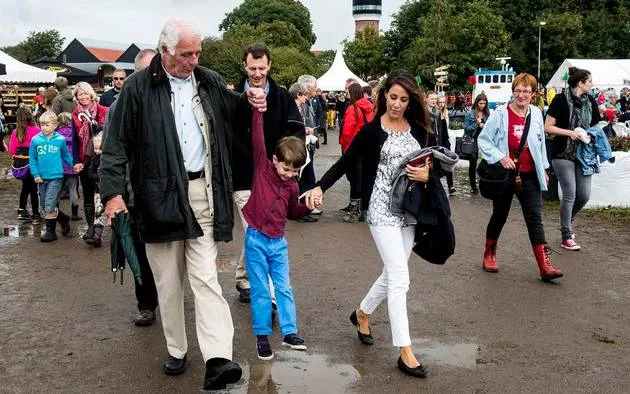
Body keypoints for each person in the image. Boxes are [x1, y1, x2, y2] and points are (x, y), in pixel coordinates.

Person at [100, 19, 267, 390]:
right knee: (169, 282)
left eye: (197, 53)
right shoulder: (138, 88)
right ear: (165, 52)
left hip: (202, 192)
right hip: (156, 198)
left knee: (206, 277)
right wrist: (112, 195)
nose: (193, 60)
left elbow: (234, 114)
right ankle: (176, 348)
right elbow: (115, 146)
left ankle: (218, 358)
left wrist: (251, 103)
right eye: (186, 54)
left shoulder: (206, 79)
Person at [302, 70, 435, 378]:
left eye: (404, 99)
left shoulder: (420, 129)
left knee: (393, 273)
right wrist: (320, 186)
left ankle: (361, 313)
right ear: (383, 96)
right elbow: (346, 161)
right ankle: (405, 351)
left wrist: (429, 174)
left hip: (409, 211)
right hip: (380, 210)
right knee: (400, 278)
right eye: (393, 98)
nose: (398, 105)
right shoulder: (372, 131)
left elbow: (435, 163)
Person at [232, 43, 305, 303]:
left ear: (270, 65)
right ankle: (265, 292)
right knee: (256, 229)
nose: (257, 73)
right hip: (243, 175)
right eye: (252, 68)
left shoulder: (283, 98)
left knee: (258, 230)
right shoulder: (233, 98)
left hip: (273, 177)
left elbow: (296, 134)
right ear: (245, 66)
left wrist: (289, 166)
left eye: (262, 68)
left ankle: (245, 277)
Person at [477, 73, 563, 281]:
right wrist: (500, 157)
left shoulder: (536, 113)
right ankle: (489, 253)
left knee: (535, 217)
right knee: (500, 215)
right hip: (506, 176)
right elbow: (484, 140)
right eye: (518, 90)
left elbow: (539, 144)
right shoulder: (500, 114)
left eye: (526, 91)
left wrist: (542, 167)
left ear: (533, 94)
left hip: (530, 175)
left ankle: (545, 266)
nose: (521, 95)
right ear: (513, 91)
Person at [244, 109, 312, 360]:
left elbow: (293, 212)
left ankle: (289, 332)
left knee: (284, 288)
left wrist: (309, 206)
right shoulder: (262, 168)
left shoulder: (293, 185)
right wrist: (258, 111)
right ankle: (262, 337)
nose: (290, 174)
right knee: (261, 291)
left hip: (278, 242)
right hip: (256, 240)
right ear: (274, 160)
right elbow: (258, 139)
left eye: (295, 171)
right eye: (286, 169)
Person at [102, 48, 160, 326]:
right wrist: (117, 194)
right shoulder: (117, 109)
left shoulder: (167, 101)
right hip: (133, 194)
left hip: (164, 194)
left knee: (166, 251)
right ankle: (146, 303)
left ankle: (167, 296)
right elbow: (113, 155)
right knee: (137, 249)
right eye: (148, 71)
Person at [544, 67, 600, 251]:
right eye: (590, 80)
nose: (592, 84)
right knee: (570, 193)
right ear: (580, 83)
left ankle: (567, 221)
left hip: (584, 153)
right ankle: (566, 235)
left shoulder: (590, 101)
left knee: (584, 195)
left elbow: (595, 126)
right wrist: (570, 133)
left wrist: (591, 135)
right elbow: (548, 127)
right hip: (562, 152)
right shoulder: (560, 100)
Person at [28, 111, 78, 242]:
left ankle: (50, 232)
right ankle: (63, 218)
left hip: (56, 177)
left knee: (50, 205)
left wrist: (74, 165)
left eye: (47, 125)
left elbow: (66, 156)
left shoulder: (60, 140)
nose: (44, 127)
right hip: (41, 178)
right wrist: (36, 174)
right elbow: (32, 160)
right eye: (42, 125)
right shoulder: (35, 140)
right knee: (45, 205)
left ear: (55, 125)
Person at [72, 82, 108, 247]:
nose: (83, 96)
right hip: (84, 159)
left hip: (100, 158)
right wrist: (76, 161)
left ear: (91, 94)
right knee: (87, 193)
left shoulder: (102, 111)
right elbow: (74, 140)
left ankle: (98, 231)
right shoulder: (75, 115)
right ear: (76, 97)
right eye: (80, 94)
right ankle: (91, 227)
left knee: (99, 194)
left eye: (85, 93)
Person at [339, 82, 374, 222]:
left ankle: (354, 211)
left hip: (353, 148)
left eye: (347, 91)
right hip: (367, 149)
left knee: (354, 180)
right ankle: (365, 210)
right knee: (364, 180)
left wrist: (343, 144)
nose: (346, 93)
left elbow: (347, 131)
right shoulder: (369, 107)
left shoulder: (352, 108)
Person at [9, 107, 43, 223]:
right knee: (34, 189)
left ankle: (21, 210)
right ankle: (36, 215)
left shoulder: (15, 132)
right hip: (32, 163)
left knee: (25, 187)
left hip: (20, 164)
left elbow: (12, 150)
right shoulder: (37, 130)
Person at [296, 74, 320, 223]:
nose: (316, 89)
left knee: (308, 175)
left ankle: (307, 207)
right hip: (303, 143)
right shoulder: (302, 103)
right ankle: (303, 208)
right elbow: (300, 123)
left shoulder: (310, 101)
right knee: (305, 176)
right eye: (314, 86)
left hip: (308, 142)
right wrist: (307, 130)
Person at [427, 91, 454, 194]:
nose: (434, 101)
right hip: (429, 143)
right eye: (432, 99)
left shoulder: (438, 112)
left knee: (442, 165)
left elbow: (442, 130)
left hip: (439, 142)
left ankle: (448, 185)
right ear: (427, 99)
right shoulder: (424, 112)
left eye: (435, 99)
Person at [56, 112, 81, 221]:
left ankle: (55, 211)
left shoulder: (56, 135)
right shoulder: (75, 134)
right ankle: (74, 214)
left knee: (57, 190)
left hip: (59, 166)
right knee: (73, 190)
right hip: (72, 165)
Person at [464, 93, 490, 194]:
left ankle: (485, 182)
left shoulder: (487, 114)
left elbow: (490, 128)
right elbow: (466, 129)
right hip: (473, 140)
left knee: (486, 162)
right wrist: (477, 124)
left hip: (484, 141)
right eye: (480, 103)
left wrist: (485, 125)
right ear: (476, 102)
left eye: (484, 103)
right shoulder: (470, 114)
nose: (482, 105)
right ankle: (473, 186)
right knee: (473, 162)